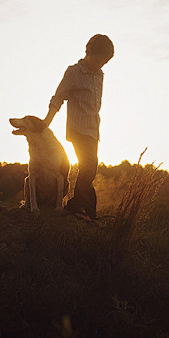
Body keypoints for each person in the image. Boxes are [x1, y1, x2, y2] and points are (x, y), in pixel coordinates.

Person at [43, 34, 114, 223]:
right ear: (89, 52)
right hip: (77, 128)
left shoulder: (99, 74)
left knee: (89, 169)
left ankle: (90, 211)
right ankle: (76, 206)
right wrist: (46, 122)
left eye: (105, 62)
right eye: (99, 59)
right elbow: (58, 97)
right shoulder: (74, 72)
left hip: (93, 130)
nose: (101, 64)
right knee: (90, 165)